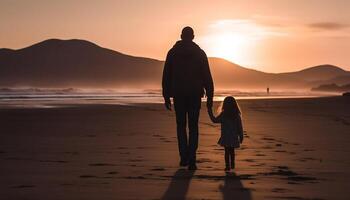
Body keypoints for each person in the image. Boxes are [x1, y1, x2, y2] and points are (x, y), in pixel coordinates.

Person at [162, 26, 214, 170]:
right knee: (193, 126)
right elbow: (207, 77)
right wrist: (210, 97)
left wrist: (166, 96)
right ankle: (192, 158)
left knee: (180, 125)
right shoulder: (200, 53)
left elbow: (166, 75)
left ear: (181, 36)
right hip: (194, 94)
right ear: (193, 36)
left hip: (178, 94)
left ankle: (183, 157)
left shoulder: (172, 53)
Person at [207, 96, 243, 171]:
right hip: (233, 136)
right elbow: (240, 127)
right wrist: (241, 135)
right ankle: (232, 163)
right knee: (232, 151)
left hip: (226, 136)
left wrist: (210, 111)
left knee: (227, 151)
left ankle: (227, 166)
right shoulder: (236, 115)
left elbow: (214, 120)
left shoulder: (224, 114)